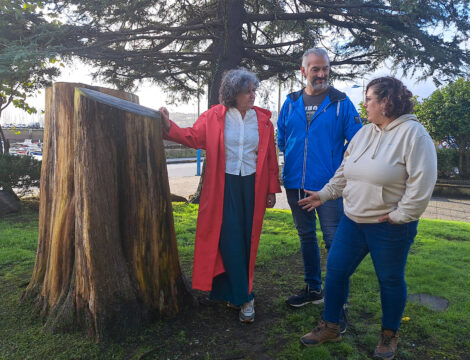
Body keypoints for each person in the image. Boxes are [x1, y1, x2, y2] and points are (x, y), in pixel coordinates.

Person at [298, 76, 437, 359]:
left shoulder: (414, 134)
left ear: (386, 102)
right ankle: (331, 327)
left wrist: (401, 216)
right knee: (336, 271)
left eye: (369, 99)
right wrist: (324, 195)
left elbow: (422, 185)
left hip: (389, 226)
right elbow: (344, 171)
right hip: (353, 220)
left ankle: (388, 335)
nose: (365, 104)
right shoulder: (365, 132)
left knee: (390, 280)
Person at [159, 68, 281, 323]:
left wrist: (271, 189)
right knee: (228, 238)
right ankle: (244, 297)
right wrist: (169, 127)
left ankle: (236, 292)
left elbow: (269, 156)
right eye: (247, 91)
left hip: (253, 186)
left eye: (254, 90)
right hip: (223, 186)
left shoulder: (263, 120)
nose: (253, 95)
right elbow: (192, 136)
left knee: (248, 239)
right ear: (233, 93)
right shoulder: (215, 116)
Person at [277, 47, 362, 329]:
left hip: (328, 189)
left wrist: (342, 174)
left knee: (333, 242)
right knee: (306, 238)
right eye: (315, 69)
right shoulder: (290, 102)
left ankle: (340, 304)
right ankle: (314, 290)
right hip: (295, 185)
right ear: (303, 71)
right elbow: (283, 139)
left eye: (325, 68)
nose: (322, 74)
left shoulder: (341, 103)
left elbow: (359, 143)